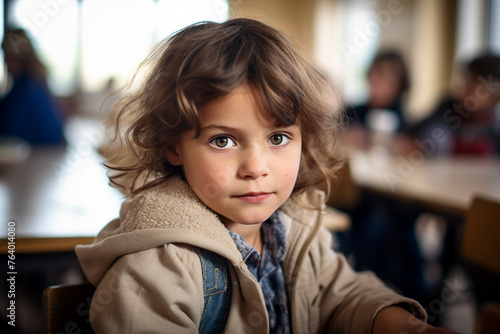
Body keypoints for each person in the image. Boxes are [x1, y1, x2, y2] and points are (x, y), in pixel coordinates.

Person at [76, 19, 456, 333]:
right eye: (222, 140)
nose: (256, 167)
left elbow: (342, 295)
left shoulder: (295, 229)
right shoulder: (157, 268)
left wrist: (406, 325)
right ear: (173, 146)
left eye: (278, 138)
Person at [408, 53, 500, 155]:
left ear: (496, 97)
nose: (464, 89)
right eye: (465, 81)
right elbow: (410, 134)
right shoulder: (447, 110)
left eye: (474, 85)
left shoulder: (495, 130)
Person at [0, 29, 65, 145]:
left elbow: (11, 131)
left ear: (16, 57)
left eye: (6, 56)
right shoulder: (32, 81)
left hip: (41, 155)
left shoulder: (28, 88)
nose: (5, 62)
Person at [343, 50, 411, 150]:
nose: (373, 79)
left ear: (399, 84)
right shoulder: (350, 114)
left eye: (381, 75)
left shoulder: (408, 129)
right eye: (371, 73)